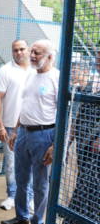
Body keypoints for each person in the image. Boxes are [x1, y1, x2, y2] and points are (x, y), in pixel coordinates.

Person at [1, 39, 59, 224]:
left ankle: (37, 221)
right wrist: (17, 131)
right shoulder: (31, 75)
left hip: (44, 135)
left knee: (40, 184)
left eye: (37, 53)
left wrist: (54, 144)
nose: (32, 56)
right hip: (24, 133)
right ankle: (21, 217)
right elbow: (25, 106)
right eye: (32, 51)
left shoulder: (57, 78)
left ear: (49, 57)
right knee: (21, 178)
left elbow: (64, 115)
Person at [0, 40, 34, 212]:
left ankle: (29, 198)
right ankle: (11, 195)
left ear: (29, 50)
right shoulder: (5, 70)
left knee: (31, 164)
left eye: (22, 49)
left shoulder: (36, 70)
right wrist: (0, 126)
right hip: (10, 126)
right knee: (11, 163)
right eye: (15, 50)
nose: (18, 52)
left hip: (32, 125)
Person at [63, 60, 99, 224]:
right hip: (82, 144)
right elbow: (75, 119)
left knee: (88, 184)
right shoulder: (77, 91)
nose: (71, 75)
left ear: (85, 72)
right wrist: (67, 144)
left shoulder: (96, 88)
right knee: (81, 181)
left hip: (94, 147)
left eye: (74, 71)